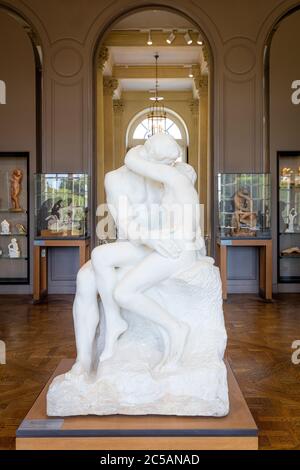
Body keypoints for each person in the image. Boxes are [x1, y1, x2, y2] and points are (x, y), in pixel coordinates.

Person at [70, 135, 204, 376]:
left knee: (103, 262)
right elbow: (126, 225)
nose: (170, 165)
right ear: (149, 156)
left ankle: (116, 325)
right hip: (136, 245)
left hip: (166, 247)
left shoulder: (169, 176)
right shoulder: (116, 178)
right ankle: (84, 359)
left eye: (171, 162)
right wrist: (150, 237)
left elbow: (188, 218)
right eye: (165, 161)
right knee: (85, 278)